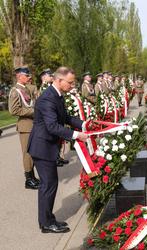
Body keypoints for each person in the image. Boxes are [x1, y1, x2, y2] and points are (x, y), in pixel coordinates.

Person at [28, 67, 89, 233]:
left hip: (47, 146)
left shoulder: (57, 95)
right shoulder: (48, 98)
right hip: (42, 147)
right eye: (69, 82)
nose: (71, 85)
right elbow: (53, 126)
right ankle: (46, 223)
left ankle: (48, 218)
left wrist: (84, 124)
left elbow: (65, 117)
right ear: (59, 80)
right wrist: (77, 135)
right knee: (48, 185)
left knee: (50, 184)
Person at [8, 67, 40, 189]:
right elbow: (13, 110)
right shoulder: (15, 91)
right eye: (26, 76)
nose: (29, 77)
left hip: (32, 124)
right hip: (25, 126)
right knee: (27, 153)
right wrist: (33, 111)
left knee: (33, 152)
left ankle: (33, 177)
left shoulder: (26, 89)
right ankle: (29, 180)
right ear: (19, 76)